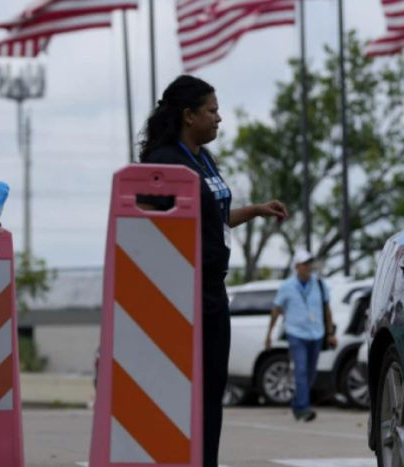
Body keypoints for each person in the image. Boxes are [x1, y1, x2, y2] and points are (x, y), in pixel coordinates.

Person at [136, 75, 288, 467]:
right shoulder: (163, 163)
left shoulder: (202, 158)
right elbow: (147, 227)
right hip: (181, 293)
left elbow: (210, 219)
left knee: (211, 391)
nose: (219, 119)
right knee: (185, 393)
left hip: (213, 290)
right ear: (189, 115)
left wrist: (254, 211)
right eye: (212, 111)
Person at [265, 249, 337, 422]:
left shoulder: (319, 284)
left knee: (310, 372)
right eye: (305, 264)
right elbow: (276, 311)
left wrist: (330, 333)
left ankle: (298, 404)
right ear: (296, 266)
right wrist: (269, 334)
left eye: (309, 263)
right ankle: (304, 408)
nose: (308, 267)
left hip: (316, 334)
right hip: (296, 334)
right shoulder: (286, 287)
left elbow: (327, 310)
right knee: (301, 371)